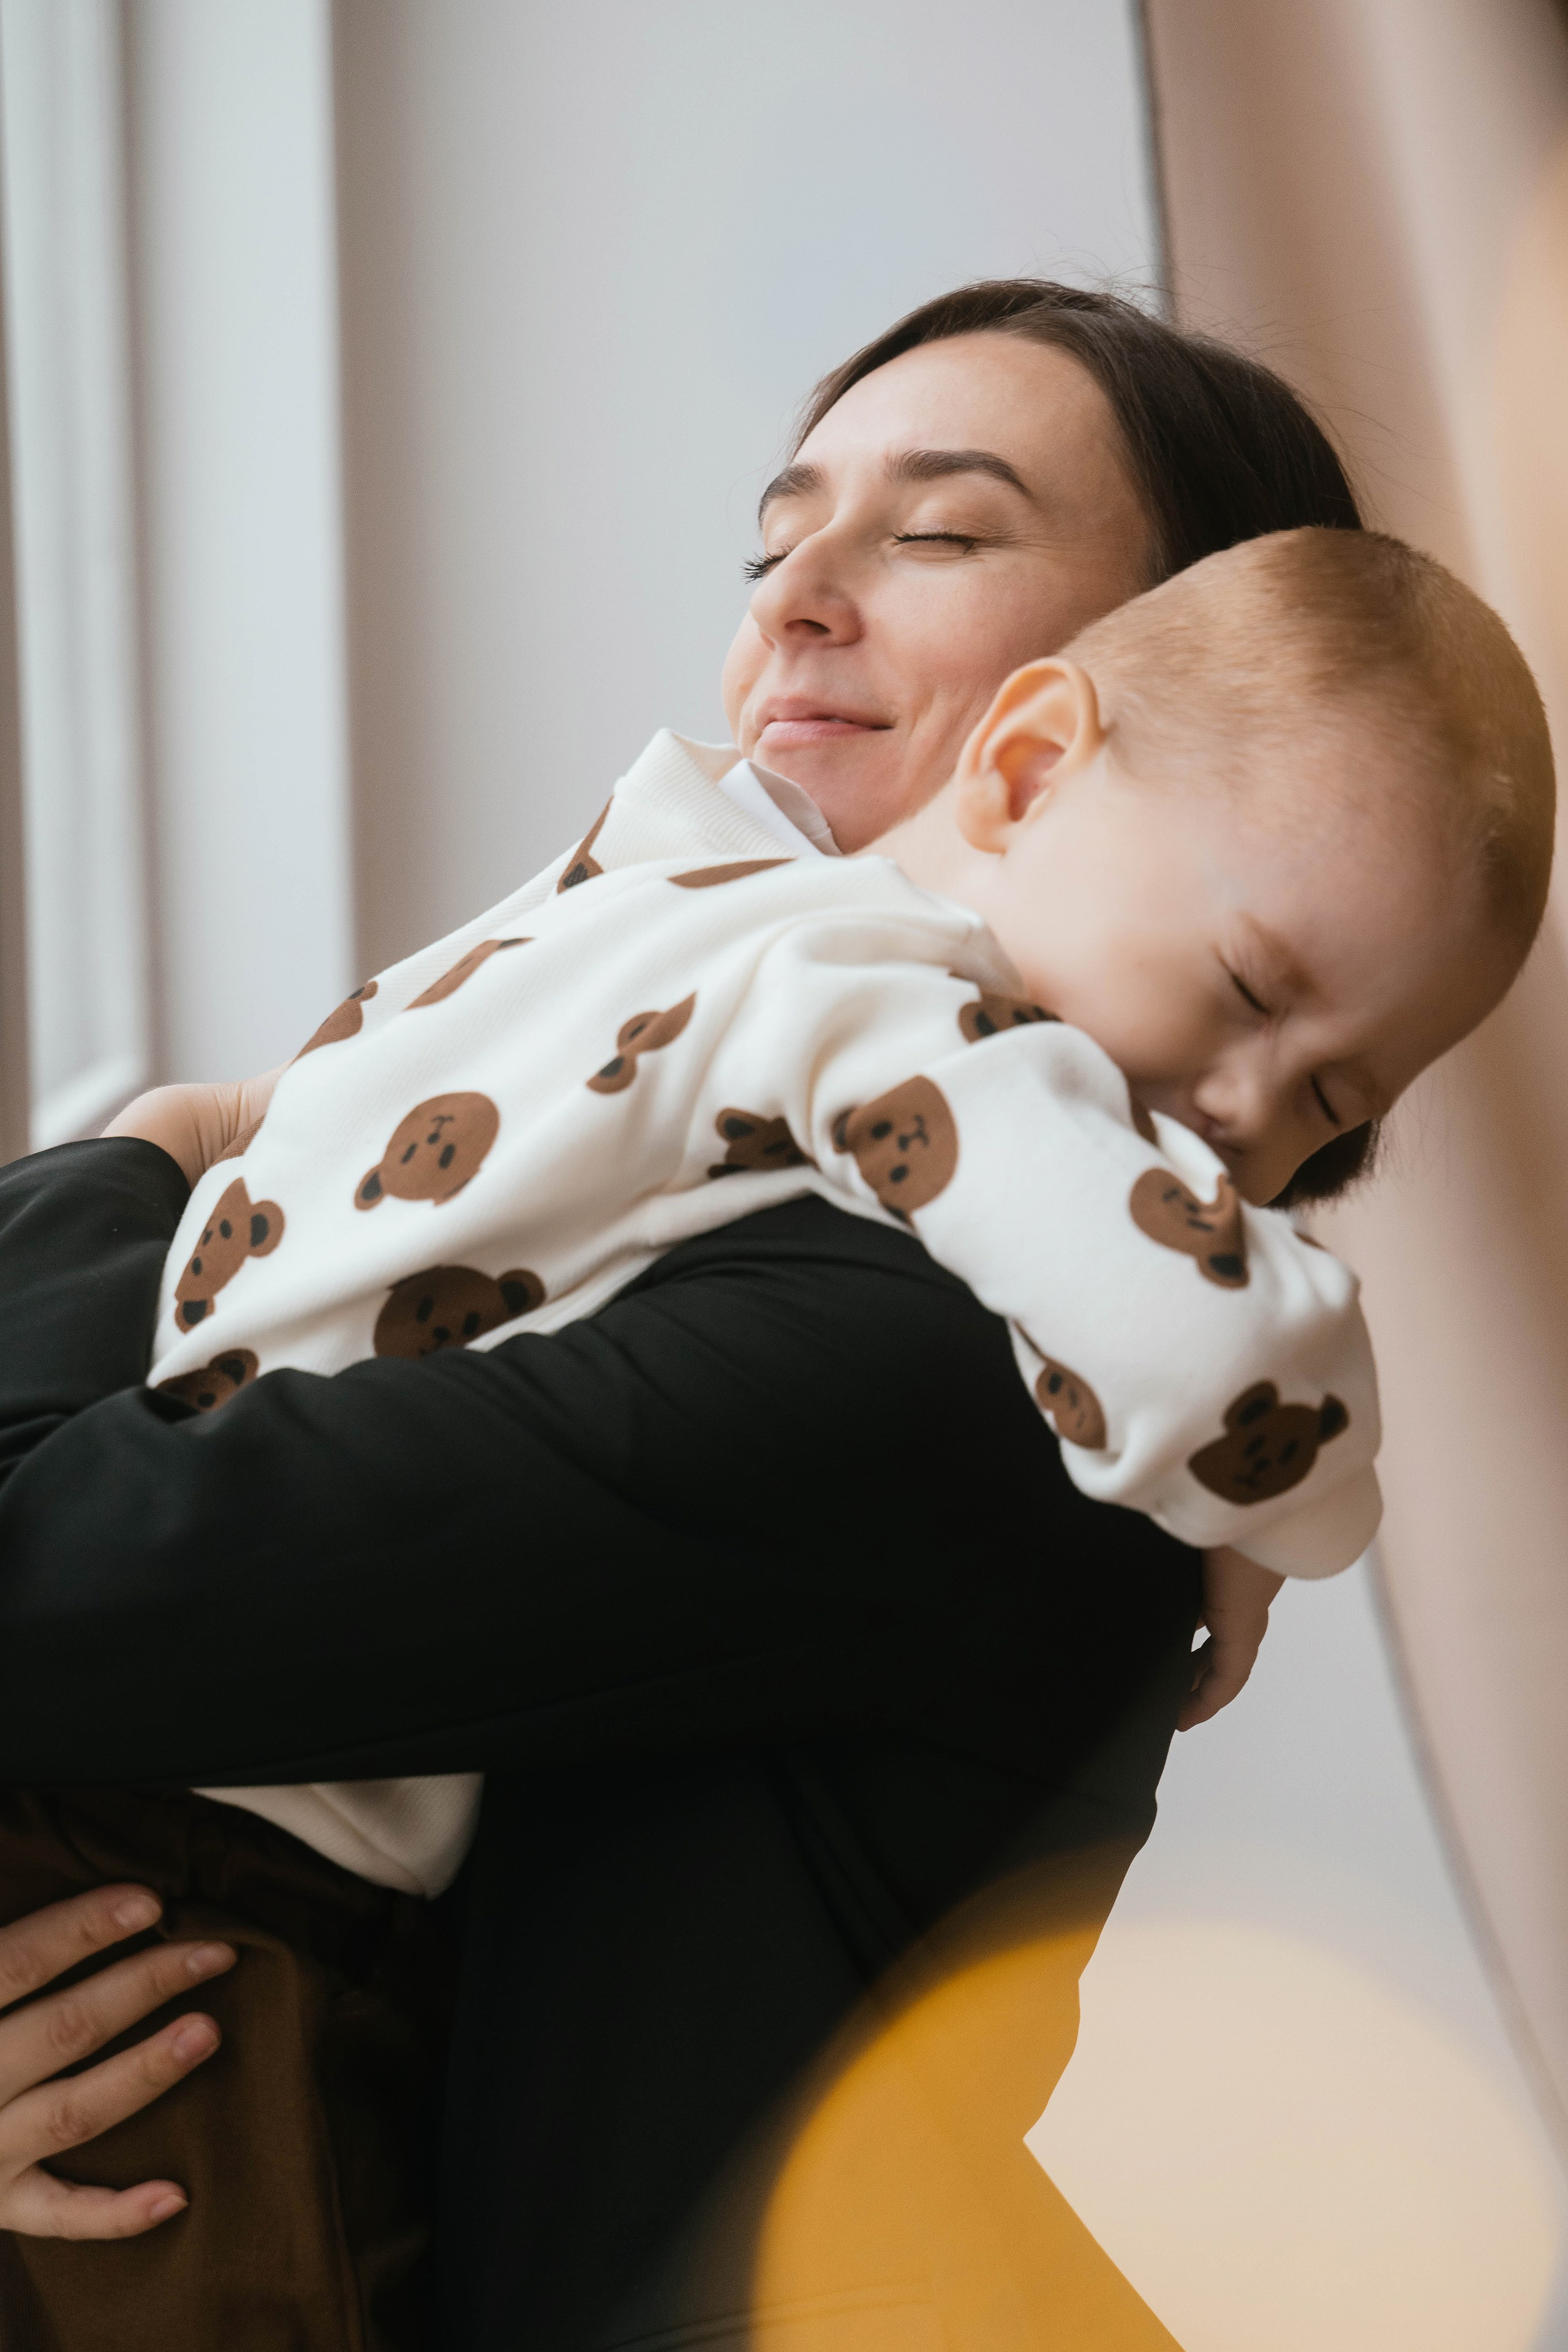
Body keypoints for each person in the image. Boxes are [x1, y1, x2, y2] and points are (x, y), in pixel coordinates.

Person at [0, 284, 1450, 2347]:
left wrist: (143, 1158)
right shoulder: (689, 1052)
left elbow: (38, 1573)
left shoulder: (915, 1339)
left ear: (1144, 701)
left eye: (940, 535)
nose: (801, 604)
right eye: (776, 539)